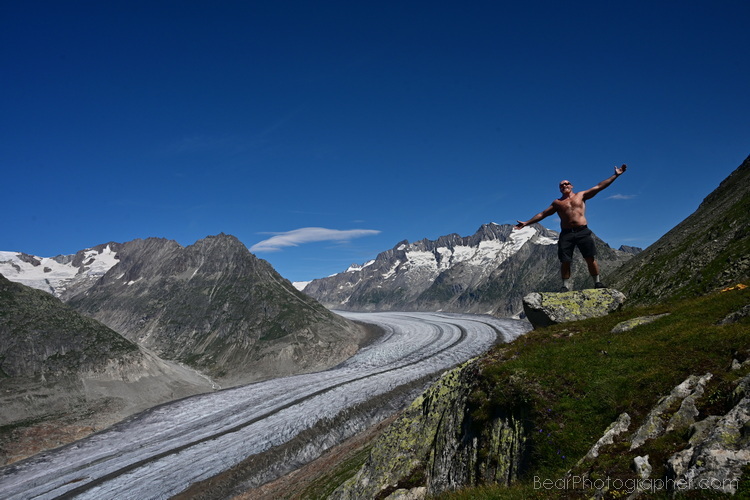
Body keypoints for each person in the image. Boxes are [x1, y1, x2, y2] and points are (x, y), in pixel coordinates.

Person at [514, 164, 628, 292]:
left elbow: (599, 186)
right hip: (566, 233)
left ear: (571, 186)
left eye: (566, 183)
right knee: (565, 260)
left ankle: (597, 283)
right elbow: (543, 214)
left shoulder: (581, 195)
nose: (564, 186)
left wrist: (615, 176)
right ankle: (565, 286)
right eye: (561, 185)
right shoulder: (557, 203)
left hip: (582, 231)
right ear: (559, 189)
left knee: (590, 258)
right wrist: (527, 223)